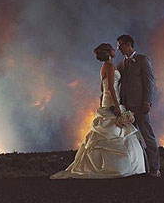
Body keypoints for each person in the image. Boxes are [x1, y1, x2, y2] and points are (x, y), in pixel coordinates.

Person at [50, 43, 147, 179]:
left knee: (107, 132)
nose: (115, 50)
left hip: (106, 101)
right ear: (108, 52)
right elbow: (111, 89)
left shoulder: (103, 67)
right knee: (116, 132)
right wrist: (117, 105)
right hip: (112, 100)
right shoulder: (110, 66)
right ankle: (120, 167)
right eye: (113, 49)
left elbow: (103, 88)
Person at [116, 34, 161, 178]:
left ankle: (155, 168)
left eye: (120, 45)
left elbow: (149, 82)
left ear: (128, 44)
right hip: (126, 107)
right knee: (133, 139)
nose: (118, 49)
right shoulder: (121, 64)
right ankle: (141, 168)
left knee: (147, 136)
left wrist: (147, 101)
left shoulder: (142, 60)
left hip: (140, 106)